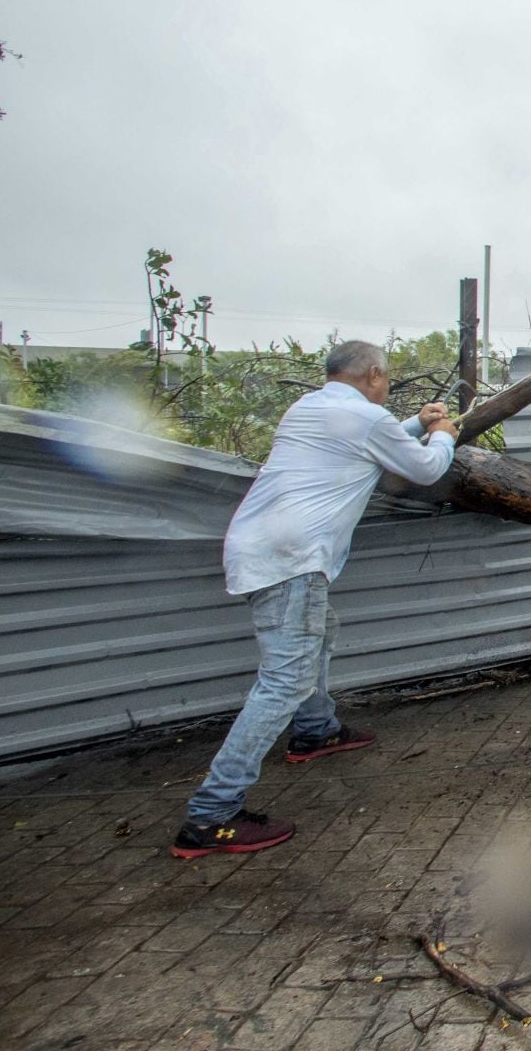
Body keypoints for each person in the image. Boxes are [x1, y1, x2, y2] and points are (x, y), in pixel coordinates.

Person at [171, 340, 458, 858]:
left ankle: (316, 730)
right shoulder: (365, 420)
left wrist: (415, 424)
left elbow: (369, 440)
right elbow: (426, 470)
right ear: (373, 374)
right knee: (283, 682)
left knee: (319, 633)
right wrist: (442, 436)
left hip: (261, 547)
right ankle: (210, 815)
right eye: (386, 377)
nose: (386, 385)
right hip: (292, 559)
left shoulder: (308, 407)